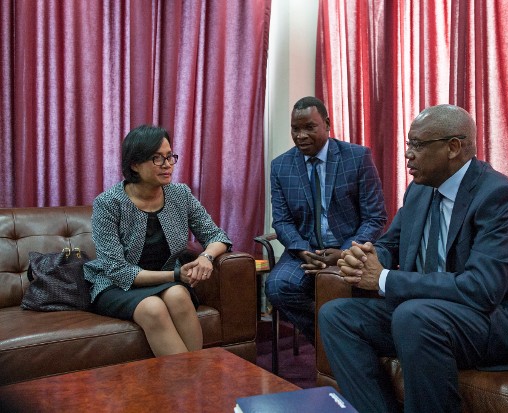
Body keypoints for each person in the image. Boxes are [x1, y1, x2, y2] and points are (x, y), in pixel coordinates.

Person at [318, 104, 508, 413]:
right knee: (336, 316)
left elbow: (482, 288)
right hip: (424, 315)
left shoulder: (496, 195)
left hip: (493, 320)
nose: (408, 154)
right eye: (409, 144)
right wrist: (365, 259)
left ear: (453, 147)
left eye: (417, 145)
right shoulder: (419, 190)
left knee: (414, 315)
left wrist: (383, 278)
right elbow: (390, 245)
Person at [84, 124, 231, 356]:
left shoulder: (179, 194)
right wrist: (175, 275)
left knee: (179, 296)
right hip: (116, 285)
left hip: (166, 281)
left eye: (170, 156)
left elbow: (217, 236)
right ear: (134, 164)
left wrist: (206, 257)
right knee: (153, 308)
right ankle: (191, 384)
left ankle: (194, 382)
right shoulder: (109, 203)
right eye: (157, 158)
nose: (167, 165)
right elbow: (117, 270)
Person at [266, 96, 387, 344]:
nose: (300, 136)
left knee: (346, 288)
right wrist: (302, 251)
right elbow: (282, 221)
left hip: (351, 248)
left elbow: (375, 217)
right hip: (305, 251)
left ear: (327, 124)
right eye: (295, 129)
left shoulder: (357, 157)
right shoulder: (281, 166)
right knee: (277, 286)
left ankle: (340, 340)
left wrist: (344, 253)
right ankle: (329, 340)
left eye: (309, 127)